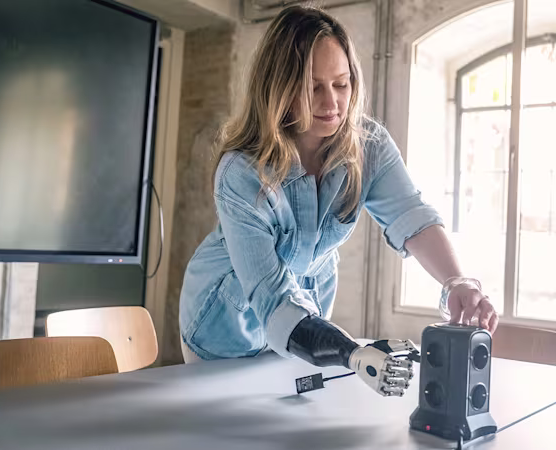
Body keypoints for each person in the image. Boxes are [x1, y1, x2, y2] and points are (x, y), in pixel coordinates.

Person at [178, 5, 498, 396]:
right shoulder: (241, 173)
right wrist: (351, 353)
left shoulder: (369, 145)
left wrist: (457, 281)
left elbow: (411, 216)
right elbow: (273, 299)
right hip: (222, 330)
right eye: (313, 87)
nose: (331, 102)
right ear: (280, 88)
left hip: (304, 334)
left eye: (341, 84)